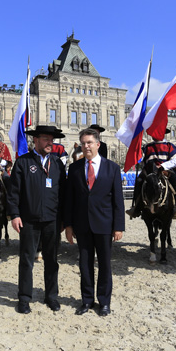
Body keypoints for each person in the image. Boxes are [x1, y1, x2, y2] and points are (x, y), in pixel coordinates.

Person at [64, 128, 124, 317]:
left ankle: (104, 302)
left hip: (105, 225)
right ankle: (87, 300)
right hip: (82, 225)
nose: (86, 146)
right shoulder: (74, 168)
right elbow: (69, 200)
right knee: (85, 265)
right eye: (83, 143)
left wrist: (118, 226)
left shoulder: (112, 168)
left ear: (98, 144)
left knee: (105, 265)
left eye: (89, 142)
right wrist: (68, 225)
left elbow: (118, 200)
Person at [7, 125, 66, 314]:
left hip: (52, 220)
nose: (51, 143)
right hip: (29, 220)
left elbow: (63, 194)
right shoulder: (23, 162)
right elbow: (14, 192)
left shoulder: (57, 164)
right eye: (46, 139)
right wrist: (15, 215)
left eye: (52, 140)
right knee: (26, 260)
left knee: (51, 260)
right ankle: (24, 298)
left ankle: (51, 296)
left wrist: (63, 219)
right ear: (36, 140)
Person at [125, 128, 176, 219]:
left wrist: (163, 166)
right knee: (139, 181)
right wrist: (136, 149)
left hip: (165, 172)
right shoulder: (147, 147)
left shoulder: (169, 146)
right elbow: (139, 159)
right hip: (149, 173)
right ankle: (136, 207)